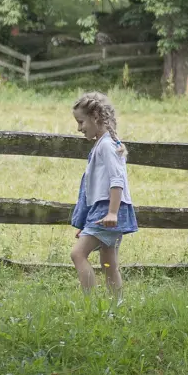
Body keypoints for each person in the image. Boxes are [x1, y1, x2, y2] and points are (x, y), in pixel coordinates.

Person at [68, 92, 136, 301]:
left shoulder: (106, 145)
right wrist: (86, 223)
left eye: (81, 122)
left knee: (78, 254)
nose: (79, 128)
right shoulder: (104, 144)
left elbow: (117, 181)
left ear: (95, 117)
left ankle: (90, 303)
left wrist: (112, 213)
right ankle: (116, 305)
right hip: (102, 211)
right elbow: (95, 188)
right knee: (109, 263)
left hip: (108, 211)